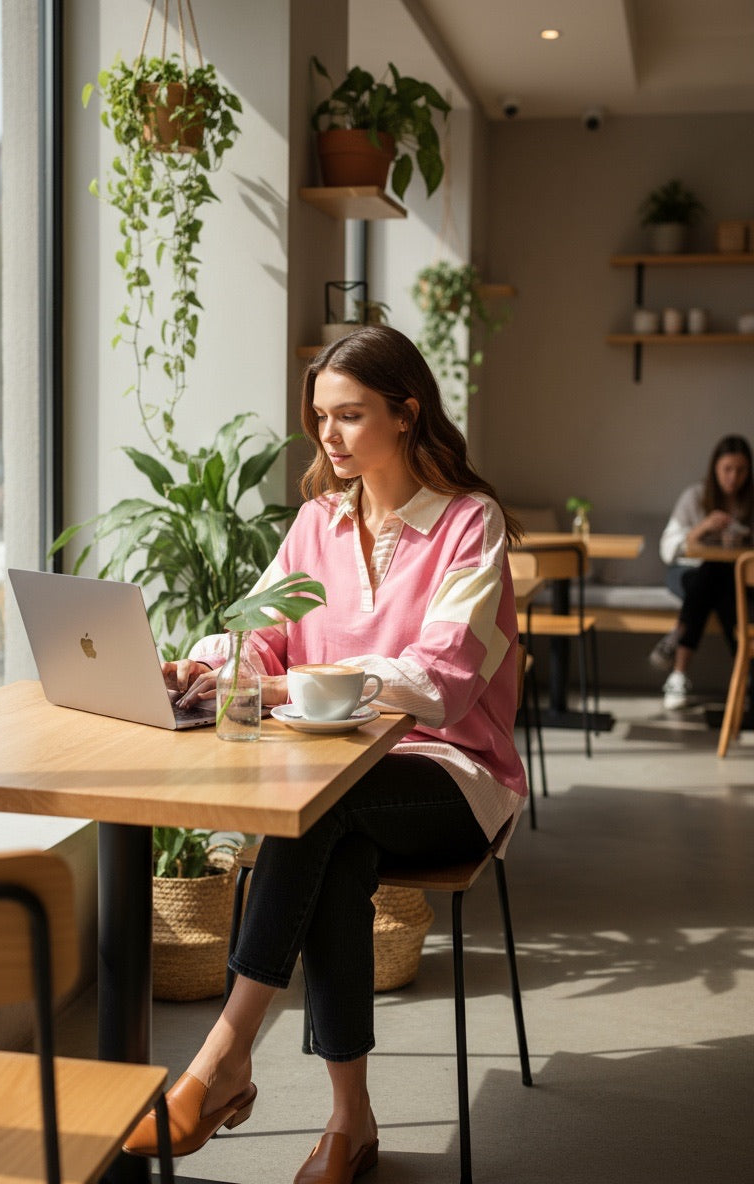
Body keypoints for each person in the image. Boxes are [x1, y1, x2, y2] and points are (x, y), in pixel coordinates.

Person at [124, 325, 527, 1184]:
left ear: (407, 413)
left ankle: (225, 1055)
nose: (330, 438)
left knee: (321, 807)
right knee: (328, 837)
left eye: (349, 416)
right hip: (346, 777)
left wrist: (289, 685)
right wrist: (200, 663)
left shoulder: (470, 524)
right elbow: (260, 636)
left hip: (454, 773)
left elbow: (443, 677)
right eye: (320, 419)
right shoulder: (317, 523)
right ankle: (351, 1122)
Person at [650, 434, 753, 710]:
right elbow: (668, 547)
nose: (734, 477)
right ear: (715, 468)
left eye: (741, 470)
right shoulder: (696, 496)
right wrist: (703, 527)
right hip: (686, 573)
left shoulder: (750, 501)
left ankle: (678, 663)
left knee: (719, 580)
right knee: (714, 578)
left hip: (729, 579)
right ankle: (745, 681)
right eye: (727, 469)